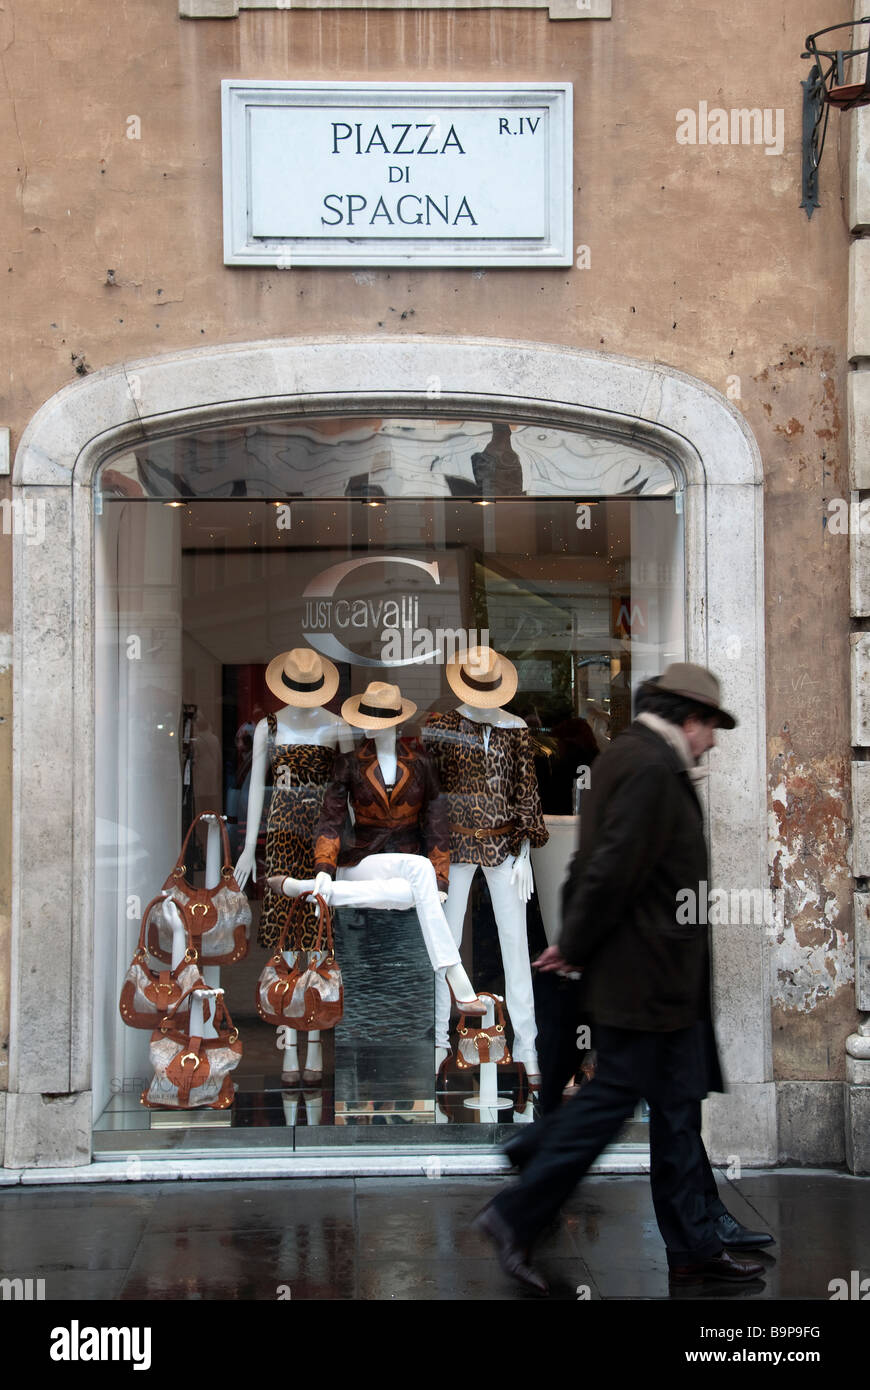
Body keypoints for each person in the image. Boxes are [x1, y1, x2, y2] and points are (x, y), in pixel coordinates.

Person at [475, 663, 770, 1294]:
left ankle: (693, 1246)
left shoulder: (625, 758)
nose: (713, 741)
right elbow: (609, 867)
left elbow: (591, 861)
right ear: (688, 718)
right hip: (646, 979)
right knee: (612, 1103)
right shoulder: (647, 766)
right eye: (710, 727)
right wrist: (575, 944)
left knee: (676, 1109)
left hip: (661, 981)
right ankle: (516, 1211)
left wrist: (570, 944)